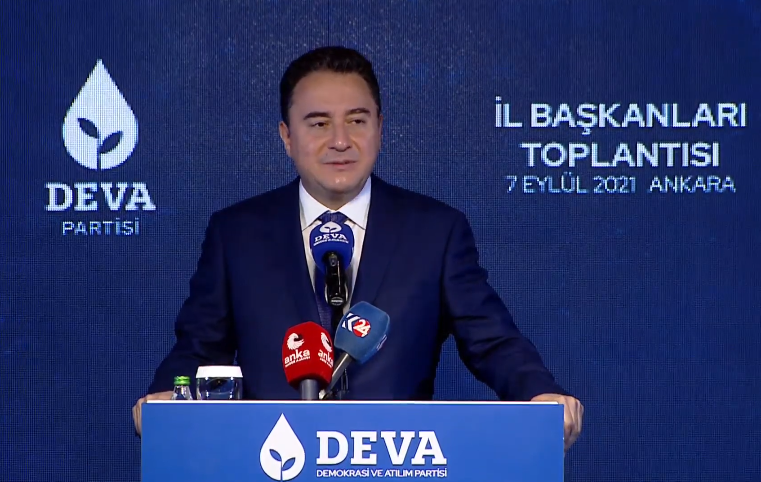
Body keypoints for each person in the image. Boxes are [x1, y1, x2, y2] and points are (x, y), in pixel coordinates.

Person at [132, 46, 583, 450]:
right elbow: (199, 348)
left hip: (398, 462)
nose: (340, 140)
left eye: (357, 120)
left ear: (380, 128)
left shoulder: (435, 231)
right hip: (273, 459)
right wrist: (166, 400)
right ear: (286, 136)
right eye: (319, 123)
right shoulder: (237, 233)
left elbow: (492, 341)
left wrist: (538, 393)